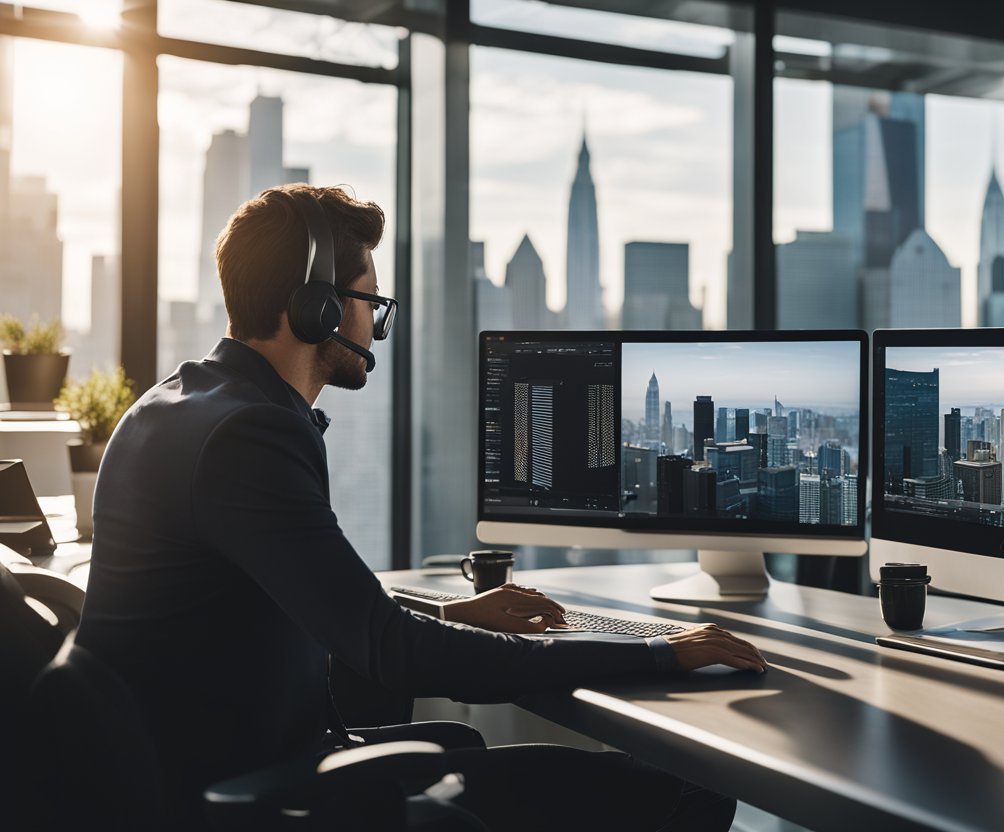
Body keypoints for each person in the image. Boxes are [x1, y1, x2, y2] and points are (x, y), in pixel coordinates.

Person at [75, 183, 767, 829]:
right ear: (315, 306)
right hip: (252, 799)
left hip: (201, 766)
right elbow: (394, 654)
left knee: (457, 742)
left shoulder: (178, 404)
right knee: (682, 789)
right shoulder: (248, 435)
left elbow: (303, 600)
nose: (375, 326)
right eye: (368, 302)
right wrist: (656, 654)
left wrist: (448, 613)